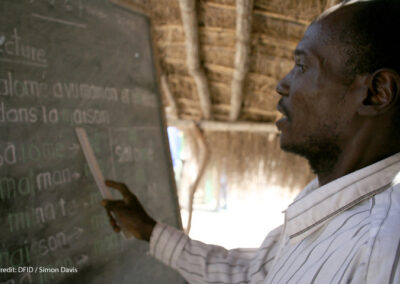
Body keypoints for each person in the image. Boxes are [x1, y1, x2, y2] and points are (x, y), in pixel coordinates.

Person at [102, 0, 400, 282]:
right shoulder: (321, 198)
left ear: (376, 92)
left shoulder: (382, 248)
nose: (281, 84)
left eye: (302, 66)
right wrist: (149, 231)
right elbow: (253, 276)